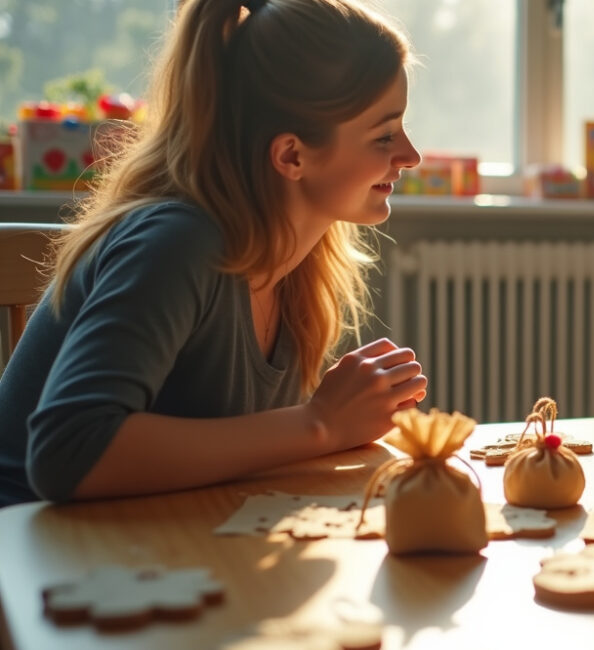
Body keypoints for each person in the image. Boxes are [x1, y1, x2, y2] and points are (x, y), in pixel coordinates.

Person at [0, 0, 427, 506]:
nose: (410, 156)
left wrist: (337, 422)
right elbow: (70, 453)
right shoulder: (178, 242)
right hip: (32, 558)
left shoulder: (300, 258)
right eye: (383, 135)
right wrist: (318, 424)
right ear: (292, 155)